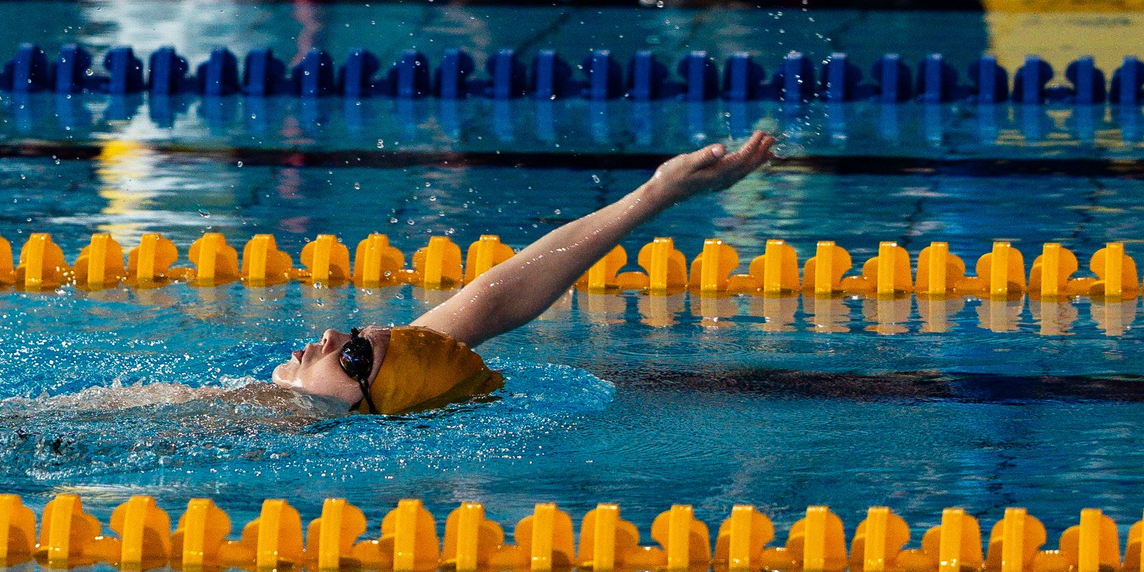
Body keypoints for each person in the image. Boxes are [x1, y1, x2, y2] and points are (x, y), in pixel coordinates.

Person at [271, 131, 777, 414]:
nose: (332, 334)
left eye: (355, 354)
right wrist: (658, 193)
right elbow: (495, 299)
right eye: (356, 340)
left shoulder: (268, 424)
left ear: (377, 409)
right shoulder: (354, 397)